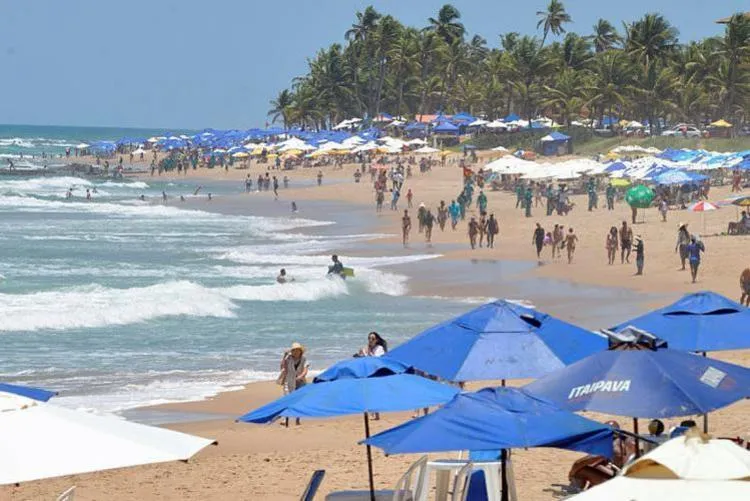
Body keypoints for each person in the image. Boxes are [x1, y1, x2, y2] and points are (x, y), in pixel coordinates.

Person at [277, 342, 309, 426]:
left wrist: (301, 376)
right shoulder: (288, 358)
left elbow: (305, 370)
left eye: (297, 350)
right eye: (294, 350)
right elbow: (282, 367)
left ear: (300, 351)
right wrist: (284, 357)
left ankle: (297, 420)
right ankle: (285, 419)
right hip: (289, 381)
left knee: (298, 401)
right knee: (287, 400)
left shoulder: (304, 359)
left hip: (300, 382)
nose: (296, 352)